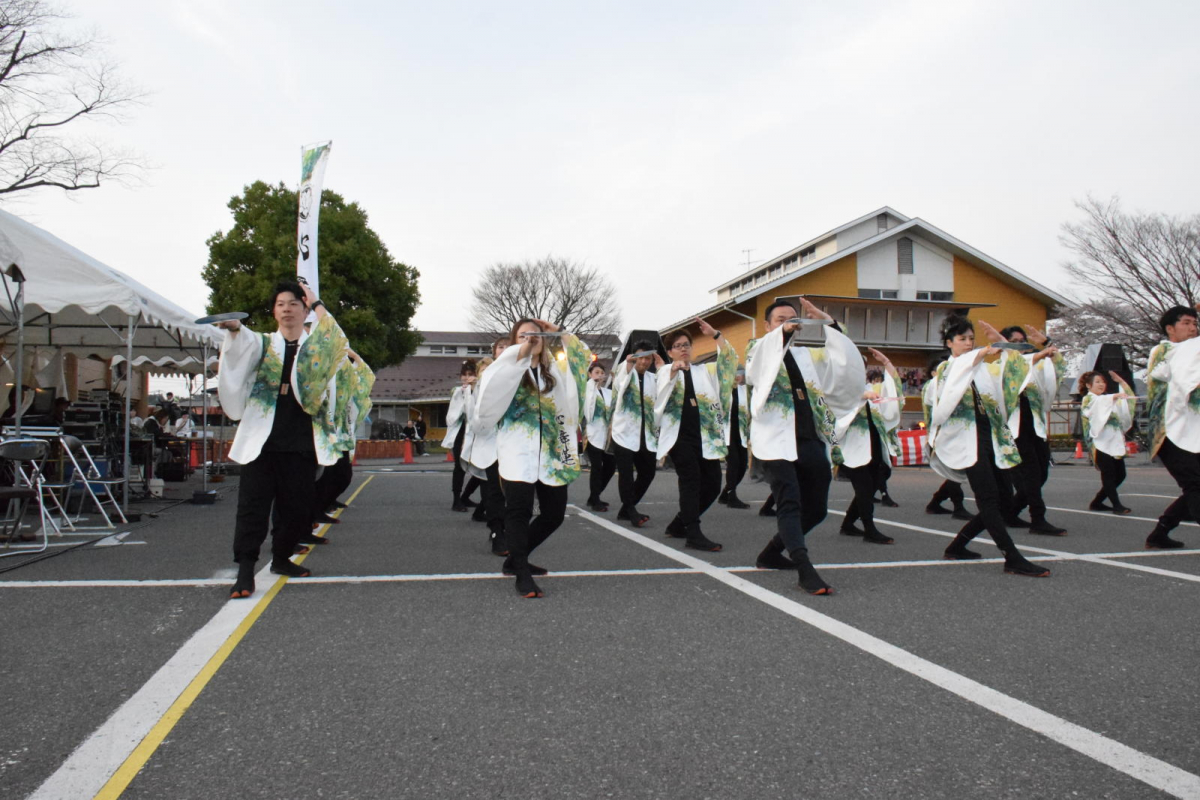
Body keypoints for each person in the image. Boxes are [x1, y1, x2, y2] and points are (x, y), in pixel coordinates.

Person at [217, 279, 348, 599]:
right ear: (274, 312)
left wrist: (317, 301)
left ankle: (281, 557)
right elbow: (241, 343)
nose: (286, 309)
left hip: (301, 443)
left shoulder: (316, 348)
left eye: (293, 303)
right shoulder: (261, 344)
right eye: (280, 304)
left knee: (296, 507)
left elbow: (338, 340)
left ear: (304, 310)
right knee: (252, 507)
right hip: (261, 443)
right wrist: (235, 329)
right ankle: (245, 569)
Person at [745, 297, 865, 594]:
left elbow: (843, 363)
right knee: (790, 501)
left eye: (793, 319)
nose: (788, 324)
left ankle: (771, 553)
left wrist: (830, 325)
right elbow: (755, 368)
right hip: (775, 439)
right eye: (780, 319)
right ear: (767, 325)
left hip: (809, 436)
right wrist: (782, 335)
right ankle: (804, 568)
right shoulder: (757, 350)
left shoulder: (807, 357)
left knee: (817, 509)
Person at [474, 318, 592, 598]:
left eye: (536, 335)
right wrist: (518, 356)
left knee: (554, 514)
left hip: (551, 452)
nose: (531, 338)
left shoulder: (556, 371)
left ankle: (515, 559)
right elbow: (491, 393)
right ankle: (522, 573)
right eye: (524, 335)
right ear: (515, 340)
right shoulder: (505, 368)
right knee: (518, 512)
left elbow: (582, 358)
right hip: (517, 451)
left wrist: (557, 332)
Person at [926, 315, 1049, 577]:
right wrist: (983, 351)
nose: (969, 343)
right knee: (989, 499)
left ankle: (957, 545)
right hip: (965, 439)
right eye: (962, 339)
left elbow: (1014, 371)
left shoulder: (982, 368)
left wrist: (1002, 344)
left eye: (971, 339)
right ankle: (1012, 557)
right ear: (949, 343)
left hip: (991, 436)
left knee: (1004, 500)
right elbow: (953, 380)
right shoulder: (945, 370)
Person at [654, 320, 737, 551]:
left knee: (712, 485)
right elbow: (661, 387)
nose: (684, 348)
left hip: (706, 436)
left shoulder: (705, 371)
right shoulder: (664, 371)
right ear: (670, 352)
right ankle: (693, 532)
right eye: (678, 345)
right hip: (680, 438)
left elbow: (729, 363)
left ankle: (679, 524)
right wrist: (672, 369)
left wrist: (716, 334)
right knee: (690, 481)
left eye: (687, 344)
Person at [999, 325, 1067, 535]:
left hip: (1035, 424)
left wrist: (1047, 344)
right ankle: (1038, 518)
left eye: (1023, 341)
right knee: (1031, 474)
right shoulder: (1001, 364)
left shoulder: (1034, 363)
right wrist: (1039, 354)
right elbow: (1017, 368)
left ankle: (1009, 512)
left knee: (1041, 474)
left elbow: (1058, 369)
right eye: (1015, 341)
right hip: (1015, 427)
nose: (1021, 345)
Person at [1144, 305, 1200, 549]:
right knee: (1195, 484)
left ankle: (1160, 532)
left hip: (1191, 429)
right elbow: (1179, 371)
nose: (1192, 328)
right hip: (1167, 431)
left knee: (1196, 485)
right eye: (1186, 323)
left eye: (1194, 324)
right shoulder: (1163, 350)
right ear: (1170, 328)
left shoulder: (1191, 352)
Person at [837, 349, 903, 544]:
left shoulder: (870, 388)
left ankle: (848, 524)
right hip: (853, 446)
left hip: (874, 445)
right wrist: (861, 396)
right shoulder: (839, 389)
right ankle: (869, 529)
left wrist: (887, 363)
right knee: (864, 488)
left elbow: (893, 394)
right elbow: (836, 411)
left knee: (872, 486)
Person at [312, 349, 374, 527]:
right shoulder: (327, 373)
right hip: (329, 434)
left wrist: (354, 356)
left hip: (343, 433)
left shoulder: (347, 379)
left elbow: (366, 376)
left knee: (342, 476)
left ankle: (322, 505)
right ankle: (317, 509)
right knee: (329, 476)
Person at [462, 336, 510, 555]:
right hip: (490, 442)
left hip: (516, 443)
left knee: (514, 493)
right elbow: (474, 416)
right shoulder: (485, 379)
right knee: (494, 492)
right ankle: (497, 533)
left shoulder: (524, 375)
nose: (505, 350)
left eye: (510, 346)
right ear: (494, 352)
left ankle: (509, 531)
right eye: (501, 346)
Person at [609, 340, 660, 527]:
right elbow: (619, 385)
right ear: (633, 357)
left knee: (648, 473)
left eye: (648, 358)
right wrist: (627, 365)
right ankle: (630, 510)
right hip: (624, 432)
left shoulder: (652, 379)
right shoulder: (625, 372)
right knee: (626, 474)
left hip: (646, 434)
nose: (644, 362)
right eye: (641, 357)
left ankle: (626, 509)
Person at [1080, 370, 1136, 515]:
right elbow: (1096, 406)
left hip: (1114, 442)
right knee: (1109, 474)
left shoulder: (1107, 400)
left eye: (1103, 382)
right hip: (1099, 443)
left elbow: (1127, 402)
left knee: (1121, 475)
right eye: (1097, 382)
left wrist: (1121, 383)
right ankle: (1116, 505)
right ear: (1088, 385)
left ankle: (1097, 502)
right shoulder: (1089, 399)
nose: (1101, 384)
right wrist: (1115, 396)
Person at [922, 355, 971, 519]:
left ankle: (935, 502)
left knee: (956, 471)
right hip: (939, 433)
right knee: (954, 471)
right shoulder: (931, 386)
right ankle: (957, 506)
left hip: (952, 432)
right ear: (933, 373)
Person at [443, 361, 480, 512]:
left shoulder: (480, 390)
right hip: (461, 431)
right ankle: (457, 499)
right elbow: (453, 415)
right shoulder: (457, 391)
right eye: (464, 375)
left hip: (477, 431)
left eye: (470, 374)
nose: (466, 378)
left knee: (482, 465)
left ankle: (465, 496)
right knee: (459, 466)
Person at [583, 361, 617, 511]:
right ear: (590, 375)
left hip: (606, 436)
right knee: (597, 467)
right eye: (596, 372)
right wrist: (592, 384)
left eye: (601, 373)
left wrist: (617, 383)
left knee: (610, 467)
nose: (599, 375)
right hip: (591, 434)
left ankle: (594, 496)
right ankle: (595, 500)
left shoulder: (608, 393)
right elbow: (587, 410)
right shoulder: (586, 391)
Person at [718, 366, 750, 509]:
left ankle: (725, 493)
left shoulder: (745, 391)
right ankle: (732, 496)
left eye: (740, 373)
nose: (737, 376)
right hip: (726, 432)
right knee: (734, 462)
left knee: (743, 465)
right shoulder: (722, 391)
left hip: (741, 432)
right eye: (734, 373)